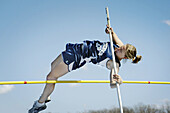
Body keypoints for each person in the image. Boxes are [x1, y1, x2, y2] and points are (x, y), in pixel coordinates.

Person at [28, 25, 142, 113]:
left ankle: (39, 104)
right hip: (78, 47)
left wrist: (119, 81)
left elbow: (112, 84)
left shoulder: (114, 64)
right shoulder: (120, 46)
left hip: (78, 57)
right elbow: (113, 35)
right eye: (121, 46)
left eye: (121, 50)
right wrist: (110, 31)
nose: (118, 48)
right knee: (53, 65)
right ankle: (47, 95)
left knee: (51, 77)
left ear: (125, 57)